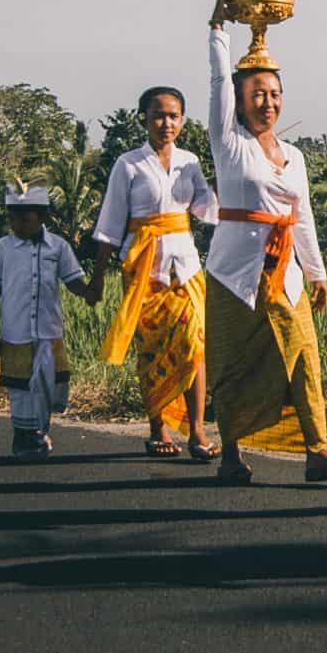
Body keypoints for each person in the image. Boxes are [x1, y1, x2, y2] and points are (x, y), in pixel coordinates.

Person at [205, 0, 327, 484]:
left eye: (274, 94)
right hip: (233, 274)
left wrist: (317, 271)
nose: (267, 102)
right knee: (231, 364)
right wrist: (219, 30)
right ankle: (231, 452)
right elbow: (216, 86)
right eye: (256, 94)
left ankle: (317, 450)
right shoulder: (230, 144)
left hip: (284, 273)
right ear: (240, 100)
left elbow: (302, 216)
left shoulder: (294, 156)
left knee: (304, 355)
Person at [89, 86, 221, 461]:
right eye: (159, 115)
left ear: (182, 120)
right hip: (146, 270)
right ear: (143, 119)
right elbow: (111, 224)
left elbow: (206, 210)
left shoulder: (189, 161)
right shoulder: (128, 164)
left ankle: (197, 430)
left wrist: (226, 181)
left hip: (187, 267)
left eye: (174, 116)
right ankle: (157, 425)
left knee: (195, 346)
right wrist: (98, 276)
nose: (167, 123)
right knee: (152, 350)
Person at [0, 183, 94, 460]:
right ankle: (23, 437)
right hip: (15, 331)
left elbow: (72, 279)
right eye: (13, 219)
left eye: (24, 219)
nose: (18, 225)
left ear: (42, 218)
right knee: (20, 387)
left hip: (48, 329)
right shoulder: (3, 248)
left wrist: (89, 291)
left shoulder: (58, 247)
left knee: (49, 384)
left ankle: (40, 431)